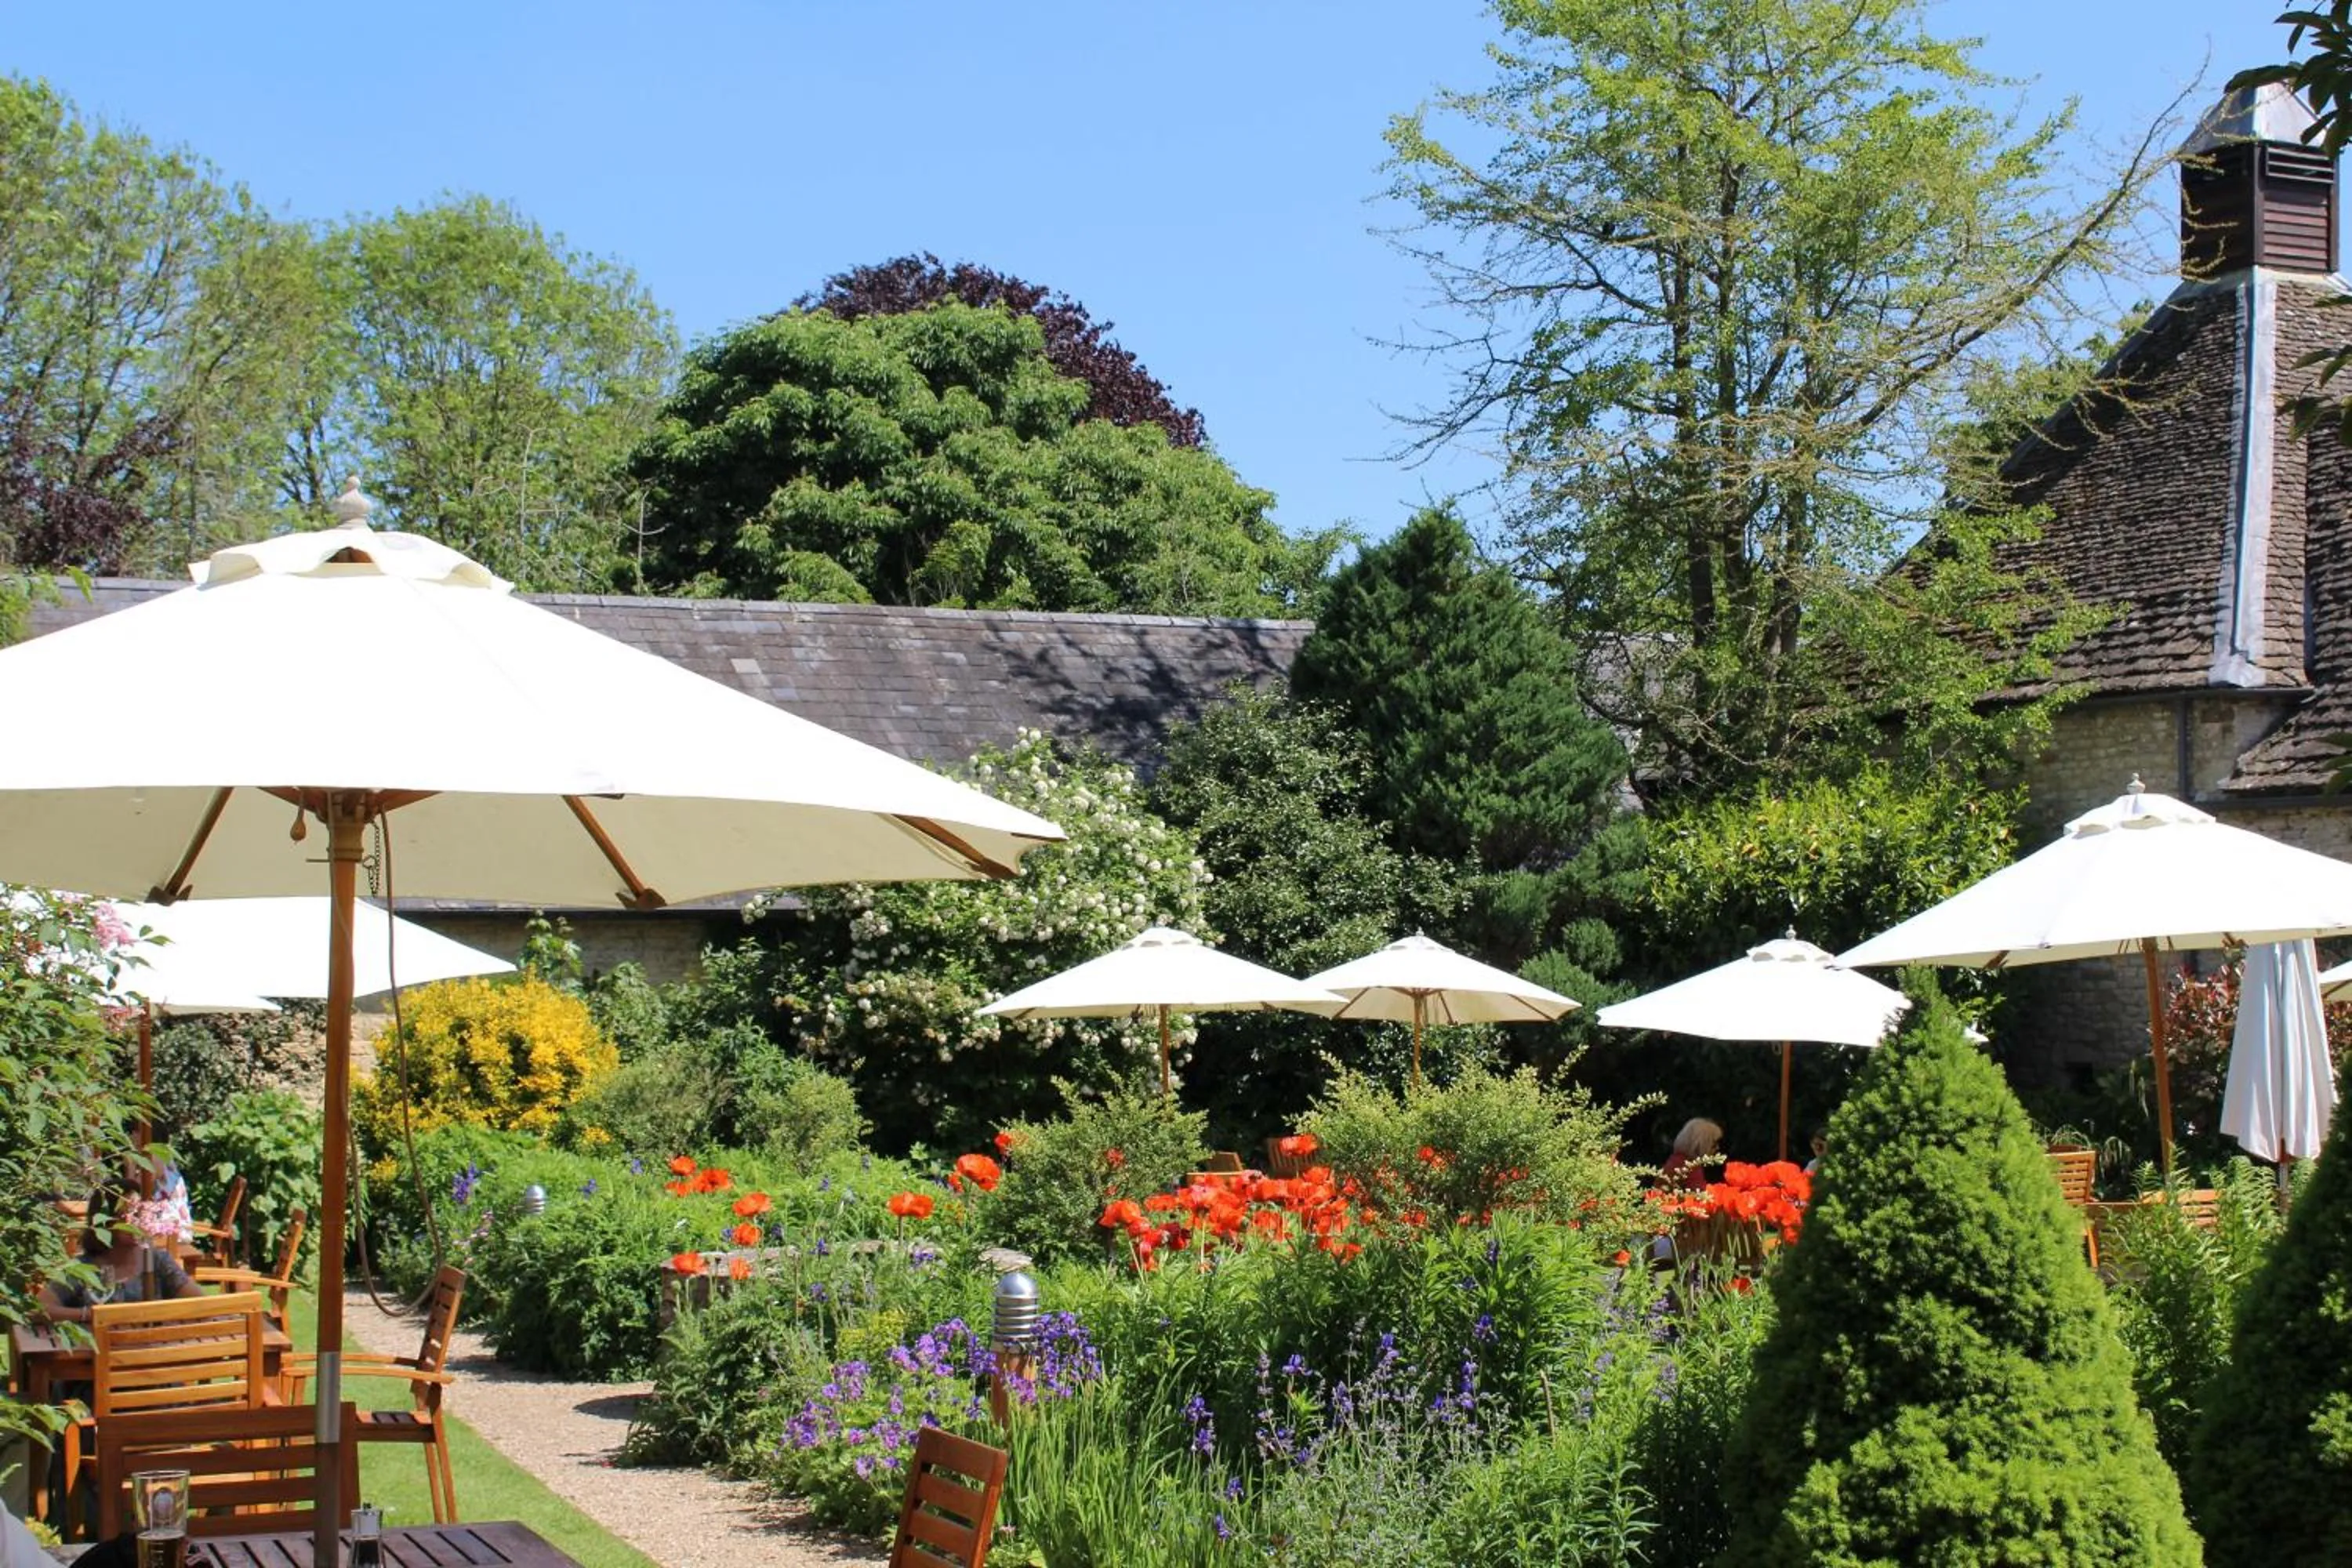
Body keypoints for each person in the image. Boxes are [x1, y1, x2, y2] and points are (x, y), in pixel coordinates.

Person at [37, 1178, 202, 1329]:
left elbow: (198, 1303)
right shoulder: (84, 1268)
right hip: (96, 1356)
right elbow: (39, 1310)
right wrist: (88, 1315)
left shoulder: (156, 1261)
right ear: (105, 1220)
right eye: (128, 1215)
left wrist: (159, 1315)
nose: (137, 1222)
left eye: (141, 1214)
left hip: (151, 1352)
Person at [1660, 1117, 1723, 1188]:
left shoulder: (1676, 1160)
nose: (1718, 1148)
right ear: (1701, 1144)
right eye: (1714, 1144)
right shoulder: (1690, 1168)